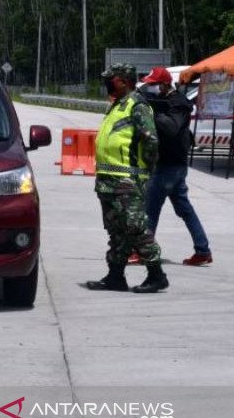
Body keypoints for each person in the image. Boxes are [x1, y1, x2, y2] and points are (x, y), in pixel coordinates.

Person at [86, 63, 169, 294]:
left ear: (124, 80)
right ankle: (115, 276)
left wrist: (147, 171)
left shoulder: (137, 105)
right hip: (109, 180)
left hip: (128, 180)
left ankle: (156, 275)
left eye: (110, 79)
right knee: (117, 231)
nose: (107, 83)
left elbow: (150, 140)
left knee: (136, 228)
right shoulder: (116, 105)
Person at [140, 66, 212, 266]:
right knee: (185, 210)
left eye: (153, 85)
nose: (150, 88)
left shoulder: (179, 103)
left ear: (164, 85)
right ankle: (202, 249)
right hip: (171, 164)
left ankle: (143, 250)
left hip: (169, 165)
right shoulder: (168, 101)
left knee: (150, 209)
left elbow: (171, 128)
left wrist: (152, 113)